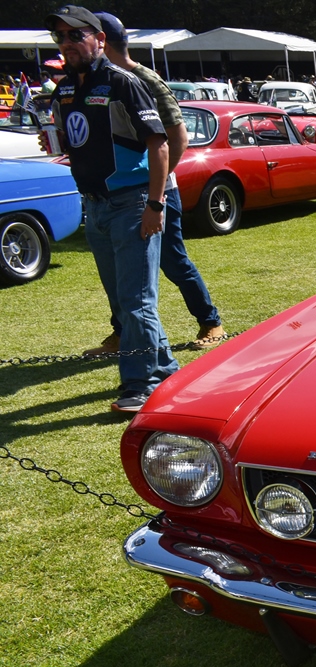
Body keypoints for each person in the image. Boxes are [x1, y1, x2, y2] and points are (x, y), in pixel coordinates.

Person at [46, 4, 176, 413]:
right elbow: (77, 139)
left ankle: (143, 383)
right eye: (60, 37)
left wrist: (155, 204)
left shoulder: (124, 82)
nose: (67, 43)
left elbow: (161, 145)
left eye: (76, 35)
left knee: (137, 300)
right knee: (123, 301)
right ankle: (166, 366)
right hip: (96, 206)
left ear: (99, 39)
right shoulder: (66, 88)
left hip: (133, 202)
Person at [84, 11, 223, 356]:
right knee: (120, 269)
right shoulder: (96, 79)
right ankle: (121, 333)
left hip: (155, 193)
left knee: (173, 261)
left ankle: (210, 321)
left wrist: (154, 188)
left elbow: (178, 138)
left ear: (103, 41)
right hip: (116, 195)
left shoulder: (144, 79)